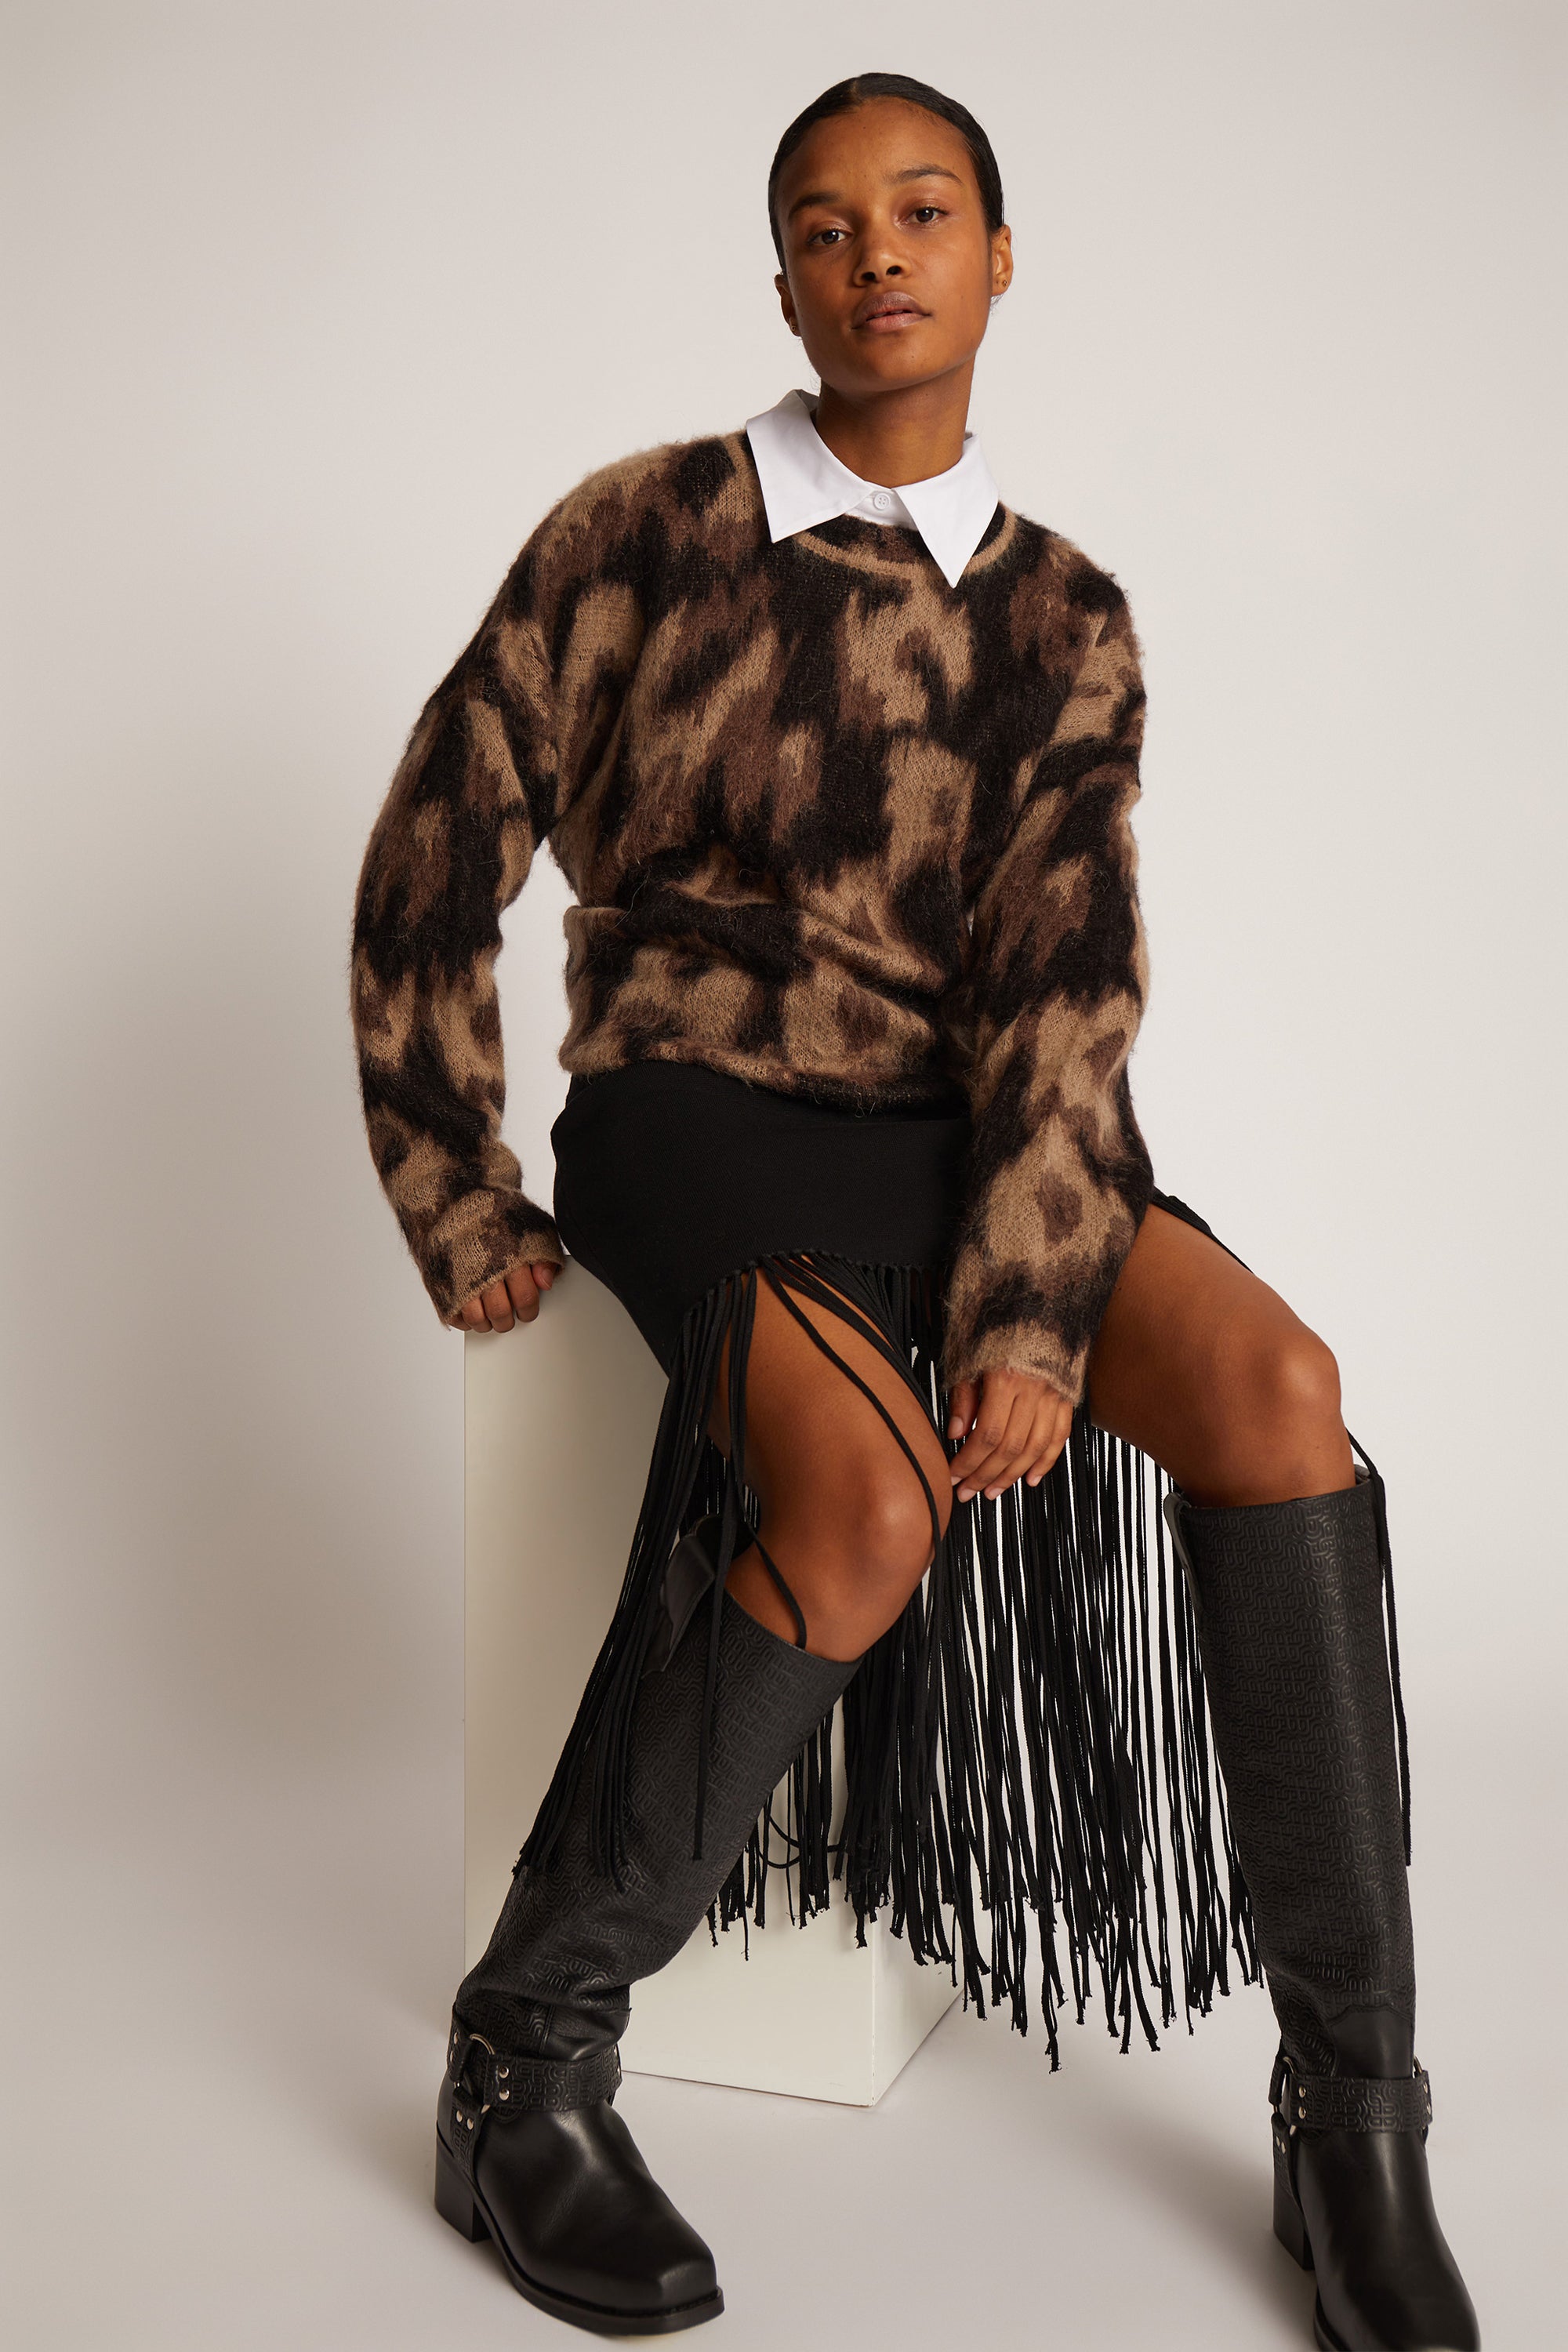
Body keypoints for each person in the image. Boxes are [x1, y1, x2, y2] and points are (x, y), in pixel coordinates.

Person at [350, 72, 1479, 2350]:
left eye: (925, 208)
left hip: (966, 1132)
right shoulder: (641, 532)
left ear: (997, 256)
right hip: (694, 1103)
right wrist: (453, 1177)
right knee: (863, 1508)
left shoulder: (1067, 615)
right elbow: (433, 850)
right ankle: (523, 2058)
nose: (876, 251)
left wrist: (1033, 1303)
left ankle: (1352, 2114)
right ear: (785, 284)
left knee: (1283, 1394)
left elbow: (1068, 983)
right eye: (825, 222)